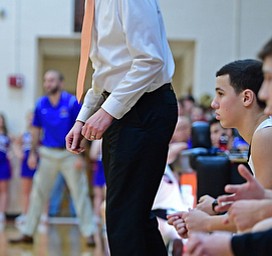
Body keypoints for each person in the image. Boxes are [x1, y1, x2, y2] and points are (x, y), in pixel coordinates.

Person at [65, 1, 178, 255]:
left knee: (124, 217)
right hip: (123, 106)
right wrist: (83, 119)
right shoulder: (95, 3)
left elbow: (150, 61)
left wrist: (107, 112)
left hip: (144, 106)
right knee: (132, 217)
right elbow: (104, 72)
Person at [181, 38, 272, 256]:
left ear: (247, 97)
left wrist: (207, 222)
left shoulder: (265, 134)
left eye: (220, 94)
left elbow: (261, 218)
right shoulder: (261, 134)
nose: (214, 103)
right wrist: (214, 209)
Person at [9, 69, 96, 246]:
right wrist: (33, 153)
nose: (48, 84)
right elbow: (35, 130)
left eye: (52, 80)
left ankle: (89, 233)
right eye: (46, 80)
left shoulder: (71, 102)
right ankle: (28, 232)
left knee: (80, 193)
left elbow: (83, 128)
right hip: (47, 154)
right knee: (37, 194)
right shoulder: (41, 104)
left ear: (61, 83)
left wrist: (82, 156)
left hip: (70, 154)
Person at [0, 113, 11, 226]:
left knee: (4, 190)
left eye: (1, 120)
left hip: (3, 164)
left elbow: (11, 148)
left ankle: (2, 213)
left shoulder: (7, 136)